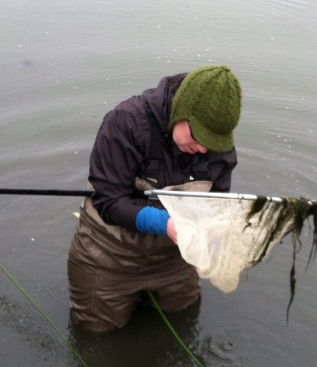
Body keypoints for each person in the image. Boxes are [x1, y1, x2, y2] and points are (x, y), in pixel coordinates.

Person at [68, 65, 242, 333]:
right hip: (108, 253)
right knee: (95, 332)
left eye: (213, 142)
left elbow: (216, 203)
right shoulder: (125, 121)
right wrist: (165, 223)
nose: (204, 149)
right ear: (180, 112)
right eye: (198, 136)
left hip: (175, 258)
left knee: (183, 316)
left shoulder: (218, 148)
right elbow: (108, 201)